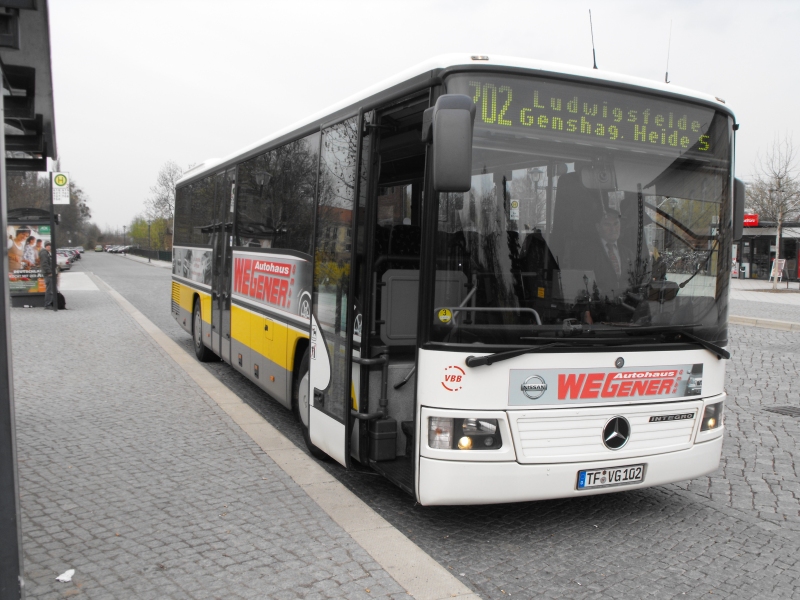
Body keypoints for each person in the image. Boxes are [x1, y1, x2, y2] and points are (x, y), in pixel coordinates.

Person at [39, 241, 53, 309]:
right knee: (49, 289)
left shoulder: (46, 253)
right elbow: (44, 264)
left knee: (50, 289)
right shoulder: (44, 253)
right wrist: (49, 272)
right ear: (45, 246)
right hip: (47, 274)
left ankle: (49, 303)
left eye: (50, 245)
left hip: (47, 273)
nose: (49, 246)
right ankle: (47, 304)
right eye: (47, 245)